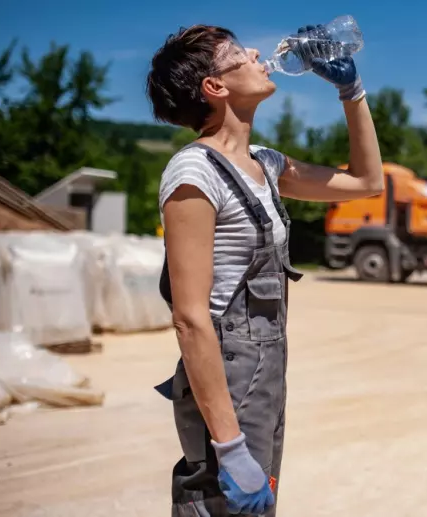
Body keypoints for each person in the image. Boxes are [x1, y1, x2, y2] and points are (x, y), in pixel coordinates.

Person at [146, 23, 383, 516]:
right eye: (238, 52)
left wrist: (350, 91)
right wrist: (229, 449)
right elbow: (191, 319)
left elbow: (367, 180)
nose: (257, 52)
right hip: (227, 378)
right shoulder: (193, 173)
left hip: (266, 371)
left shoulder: (265, 164)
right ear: (214, 87)